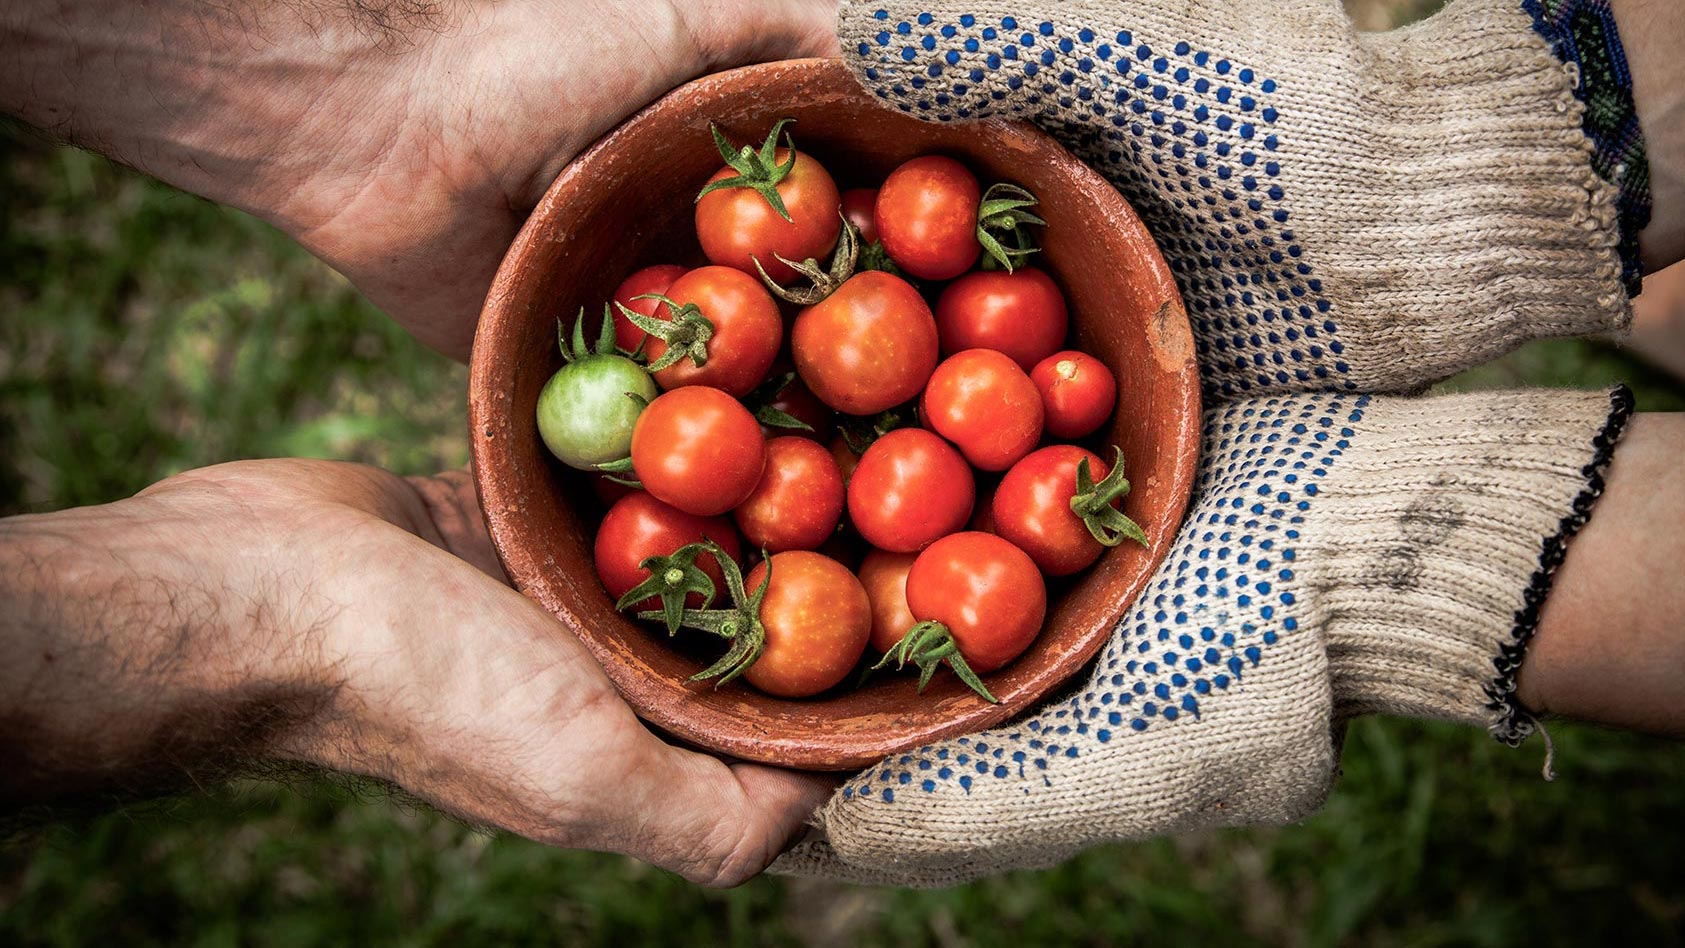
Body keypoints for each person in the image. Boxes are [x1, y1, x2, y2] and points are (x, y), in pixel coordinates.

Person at [0, 0, 1680, 890]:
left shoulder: (785, 371)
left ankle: (1561, 211)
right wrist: (284, 638)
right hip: (942, 477)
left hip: (954, 443)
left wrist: (1476, 146)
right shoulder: (792, 442)